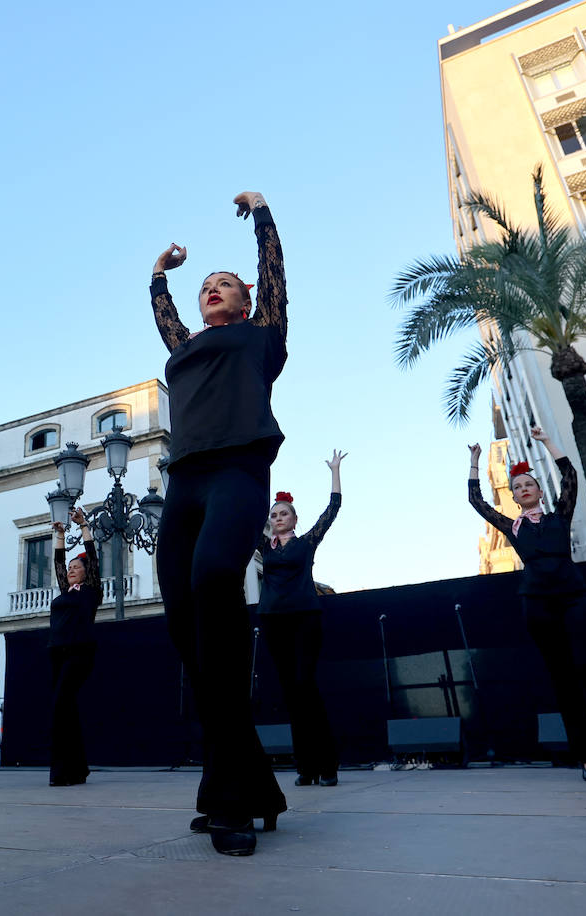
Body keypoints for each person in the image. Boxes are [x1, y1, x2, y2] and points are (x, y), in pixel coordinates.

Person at [149, 190, 289, 856]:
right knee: (189, 634)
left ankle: (231, 801)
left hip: (238, 473)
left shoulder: (261, 335)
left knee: (213, 579)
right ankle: (246, 781)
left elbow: (275, 277)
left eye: (222, 284)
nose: (212, 289)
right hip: (185, 484)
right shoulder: (186, 348)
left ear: (242, 302)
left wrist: (262, 216)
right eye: (205, 285)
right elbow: (165, 319)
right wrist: (159, 276)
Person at [467, 427, 586, 784]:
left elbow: (571, 475)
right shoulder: (512, 527)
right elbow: (476, 503)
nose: (523, 488)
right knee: (564, 681)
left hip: (575, 597)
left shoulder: (560, 517)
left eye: (529, 484)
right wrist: (474, 463)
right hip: (537, 603)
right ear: (513, 497)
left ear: (539, 491)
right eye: (517, 487)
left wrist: (546, 443)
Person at [257, 450, 344, 787]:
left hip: (304, 619)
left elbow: (332, 510)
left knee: (306, 687)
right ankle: (306, 767)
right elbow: (246, 517)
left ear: (294, 519)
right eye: (275, 514)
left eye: (284, 513)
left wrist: (334, 472)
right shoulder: (264, 548)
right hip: (273, 620)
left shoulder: (306, 543)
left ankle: (328, 765)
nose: (278, 517)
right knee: (291, 693)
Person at [47, 508, 100, 788]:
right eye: (69, 568)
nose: (70, 570)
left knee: (60, 706)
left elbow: (91, 559)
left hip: (80, 651)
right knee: (64, 709)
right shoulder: (64, 592)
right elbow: (57, 561)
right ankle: (77, 768)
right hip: (57, 651)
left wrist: (83, 527)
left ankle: (65, 771)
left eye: (75, 568)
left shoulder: (91, 591)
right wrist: (59, 534)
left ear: (85, 573)